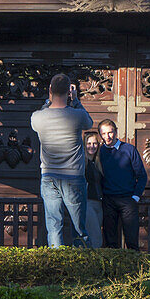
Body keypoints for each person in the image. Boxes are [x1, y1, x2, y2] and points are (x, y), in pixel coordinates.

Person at [30, 73, 93, 248]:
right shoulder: (77, 115)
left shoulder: (37, 117)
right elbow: (89, 122)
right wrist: (76, 100)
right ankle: (82, 266)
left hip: (49, 176)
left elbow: (42, 112)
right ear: (69, 91)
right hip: (73, 176)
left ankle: (57, 266)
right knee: (79, 228)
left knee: (54, 226)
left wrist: (48, 102)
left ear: (50, 90)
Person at [97, 119, 147, 250]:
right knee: (110, 242)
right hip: (108, 200)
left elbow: (142, 175)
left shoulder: (129, 149)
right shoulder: (100, 152)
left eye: (110, 132)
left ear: (116, 132)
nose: (107, 136)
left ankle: (135, 269)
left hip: (127, 200)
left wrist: (135, 196)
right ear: (100, 135)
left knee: (131, 241)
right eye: (104, 133)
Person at [82, 131, 104, 249]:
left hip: (99, 203)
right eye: (89, 143)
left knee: (94, 235)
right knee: (95, 237)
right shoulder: (81, 163)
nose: (92, 146)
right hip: (87, 203)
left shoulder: (98, 163)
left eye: (95, 143)